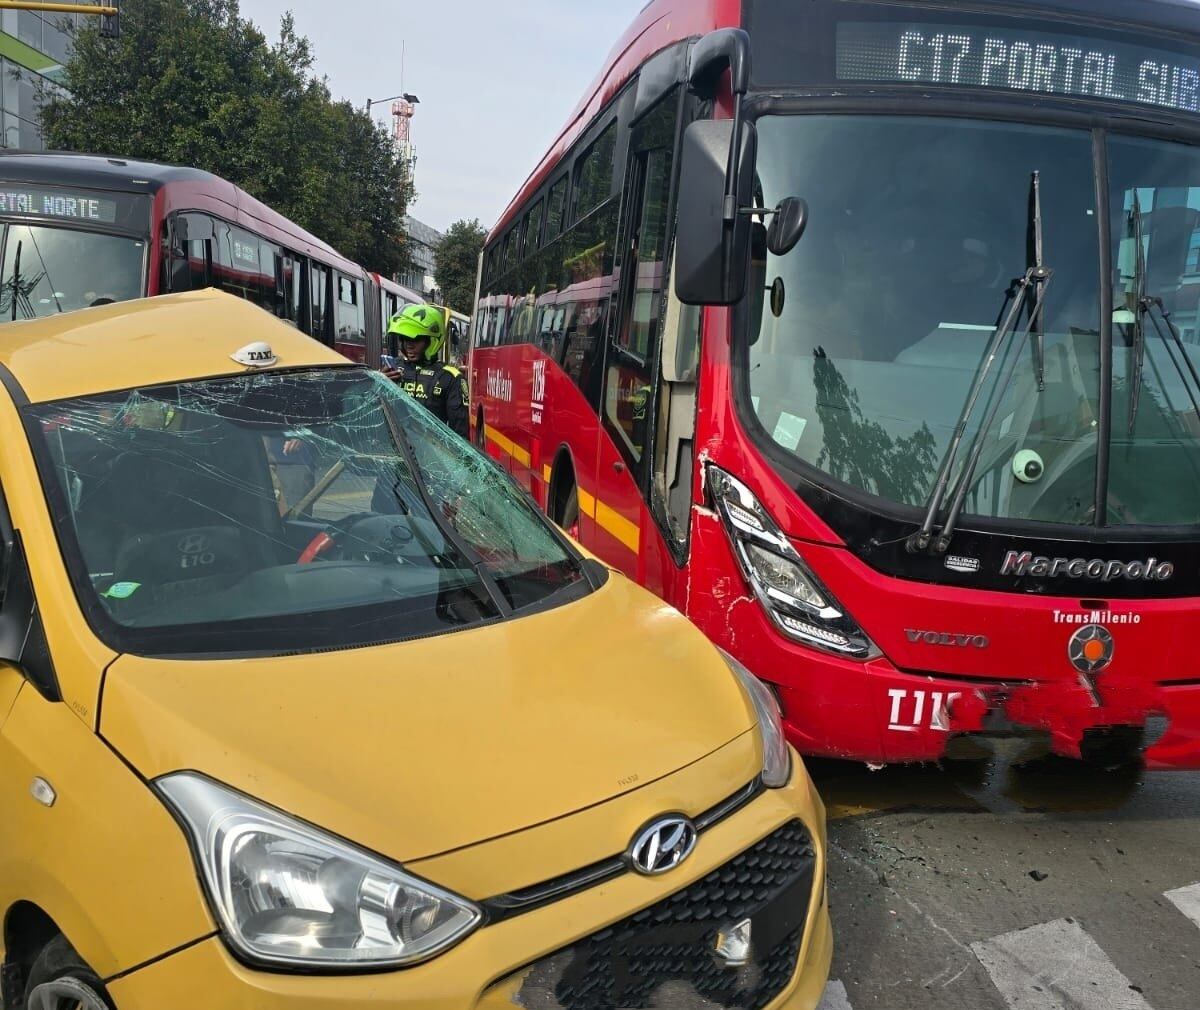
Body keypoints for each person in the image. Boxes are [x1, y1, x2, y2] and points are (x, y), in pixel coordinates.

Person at [383, 304, 470, 438]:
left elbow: (461, 434)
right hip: (395, 451)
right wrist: (378, 384)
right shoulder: (390, 370)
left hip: (432, 454)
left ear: (432, 340)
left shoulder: (451, 377)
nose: (409, 345)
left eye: (416, 339)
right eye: (405, 339)